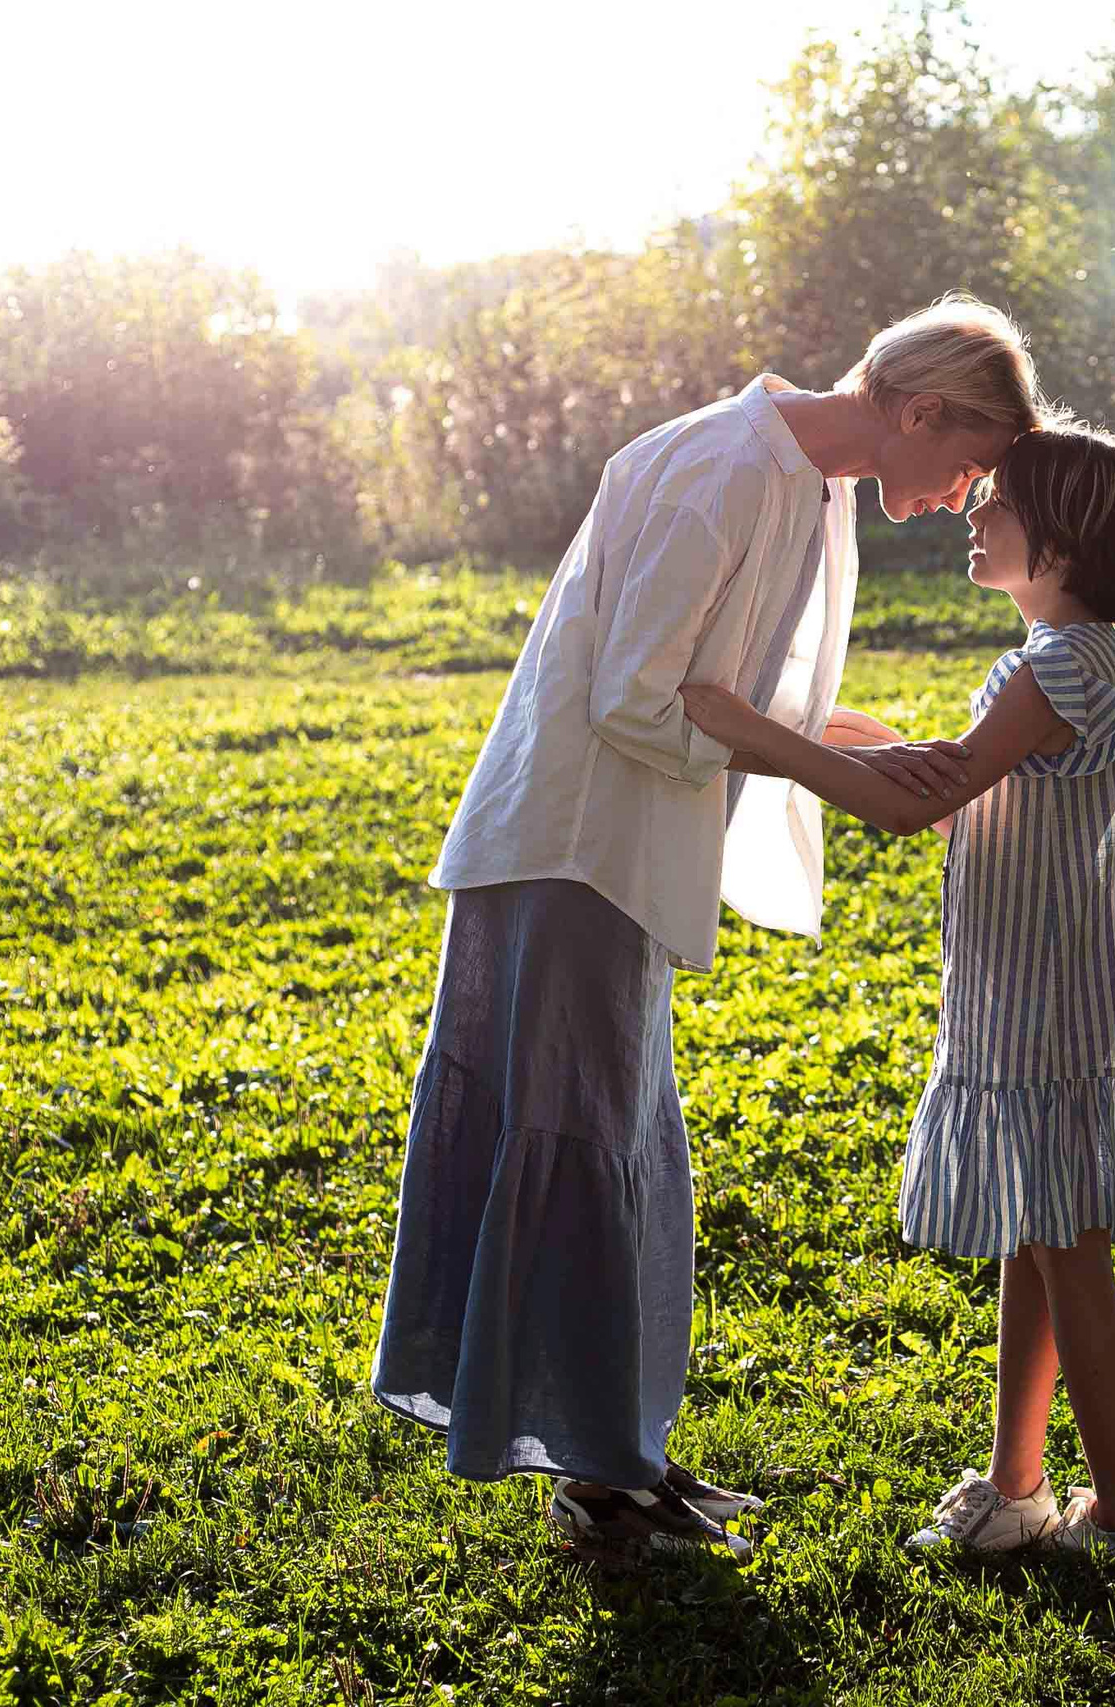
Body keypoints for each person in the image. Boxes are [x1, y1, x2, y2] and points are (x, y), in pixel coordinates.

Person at [369, 295, 1051, 1567]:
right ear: (918, 413)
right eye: (969, 463)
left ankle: (616, 1452)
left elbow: (754, 695)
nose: (970, 495)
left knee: (621, 1146)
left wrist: (892, 752)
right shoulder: (721, 470)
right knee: (577, 1144)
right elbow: (641, 698)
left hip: (624, 854)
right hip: (573, 848)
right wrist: (841, 783)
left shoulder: (808, 481)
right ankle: (597, 1484)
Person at [681, 423, 1115, 1558]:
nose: (974, 514)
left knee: (1071, 1264)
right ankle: (1017, 1490)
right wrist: (824, 732)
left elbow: (920, 803)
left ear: (1057, 542)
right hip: (1041, 1002)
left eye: (996, 502)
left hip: (1048, 1015)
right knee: (1037, 1243)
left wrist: (753, 735)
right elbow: (953, 772)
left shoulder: (1057, 666)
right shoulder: (1072, 659)